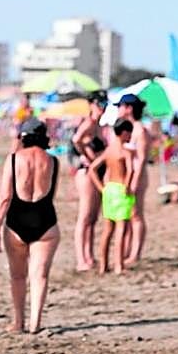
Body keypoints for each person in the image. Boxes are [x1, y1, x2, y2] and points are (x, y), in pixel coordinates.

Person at [0, 118, 60, 333]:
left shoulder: (14, 159)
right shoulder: (53, 161)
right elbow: (52, 194)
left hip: (17, 220)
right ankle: (35, 323)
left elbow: (5, 196)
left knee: (17, 275)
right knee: (40, 275)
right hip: (45, 220)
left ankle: (18, 321)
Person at [89, 118, 136, 274]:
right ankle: (118, 265)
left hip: (109, 189)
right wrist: (127, 186)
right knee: (121, 228)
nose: (130, 136)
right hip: (121, 189)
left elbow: (92, 169)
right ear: (124, 133)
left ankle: (103, 265)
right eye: (129, 133)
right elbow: (131, 170)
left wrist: (101, 188)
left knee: (108, 229)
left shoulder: (109, 151)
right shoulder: (125, 151)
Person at [69, 91, 108, 272]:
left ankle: (89, 255)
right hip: (86, 173)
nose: (102, 108)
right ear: (91, 105)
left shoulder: (99, 125)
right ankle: (81, 259)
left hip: (97, 171)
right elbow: (76, 140)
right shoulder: (89, 123)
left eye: (104, 104)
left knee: (93, 218)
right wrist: (86, 155)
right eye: (99, 104)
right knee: (85, 216)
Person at [119, 93, 151, 266]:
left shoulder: (141, 130)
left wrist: (135, 180)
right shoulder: (129, 129)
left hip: (137, 176)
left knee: (136, 215)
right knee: (128, 215)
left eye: (121, 106)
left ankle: (135, 252)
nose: (118, 110)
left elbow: (142, 158)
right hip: (128, 175)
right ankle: (127, 250)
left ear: (129, 108)